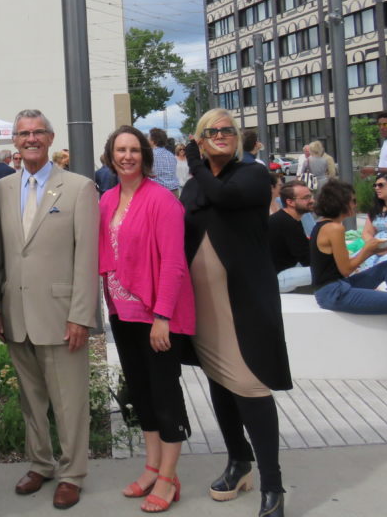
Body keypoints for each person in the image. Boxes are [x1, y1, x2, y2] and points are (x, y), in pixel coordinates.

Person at [181, 110, 291, 517]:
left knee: (250, 385)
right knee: (220, 381)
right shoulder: (194, 186)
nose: (222, 134)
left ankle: (273, 486)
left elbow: (224, 197)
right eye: (213, 130)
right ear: (201, 137)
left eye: (228, 129)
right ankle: (238, 460)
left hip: (244, 301)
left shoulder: (252, 174)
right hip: (203, 304)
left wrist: (194, 161)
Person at [0, 110, 99, 511]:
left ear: (51, 138)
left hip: (61, 314)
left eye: (38, 132)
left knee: (69, 403)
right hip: (15, 313)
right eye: (23, 133)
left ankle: (72, 474)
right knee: (31, 400)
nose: (31, 138)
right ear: (15, 141)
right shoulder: (0, 189)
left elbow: (87, 257)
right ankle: (41, 463)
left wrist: (81, 315)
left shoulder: (79, 188)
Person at [98, 126, 194, 513]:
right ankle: (153, 467)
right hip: (121, 313)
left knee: (164, 394)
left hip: (156, 315)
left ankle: (169, 477)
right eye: (120, 150)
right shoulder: (107, 199)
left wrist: (162, 316)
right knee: (141, 393)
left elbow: (173, 262)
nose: (127, 157)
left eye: (134, 150)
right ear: (111, 156)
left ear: (145, 155)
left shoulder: (163, 200)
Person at [310, 179, 387, 384]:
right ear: (341, 202)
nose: (356, 205)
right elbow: (346, 269)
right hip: (334, 292)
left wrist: (373, 250)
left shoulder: (323, 225)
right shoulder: (334, 228)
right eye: (352, 201)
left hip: (338, 286)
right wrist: (368, 250)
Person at [269, 181, 314, 293]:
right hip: (276, 279)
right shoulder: (286, 223)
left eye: (311, 196)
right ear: (290, 202)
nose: (312, 201)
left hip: (276, 274)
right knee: (331, 269)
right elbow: (307, 259)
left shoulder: (287, 219)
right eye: (306, 198)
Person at [148, 128, 181, 196]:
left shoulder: (150, 155)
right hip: (174, 191)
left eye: (149, 138)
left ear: (153, 141)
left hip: (159, 192)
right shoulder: (171, 155)